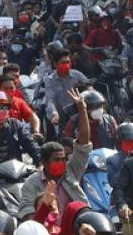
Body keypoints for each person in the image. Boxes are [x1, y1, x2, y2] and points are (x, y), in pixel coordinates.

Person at [19, 88, 91, 220]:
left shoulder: (71, 171)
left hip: (76, 229)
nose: (62, 163)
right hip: (46, 231)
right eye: (57, 160)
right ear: (45, 162)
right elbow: (27, 213)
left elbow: (83, 143)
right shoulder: (32, 183)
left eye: (63, 159)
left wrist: (82, 109)